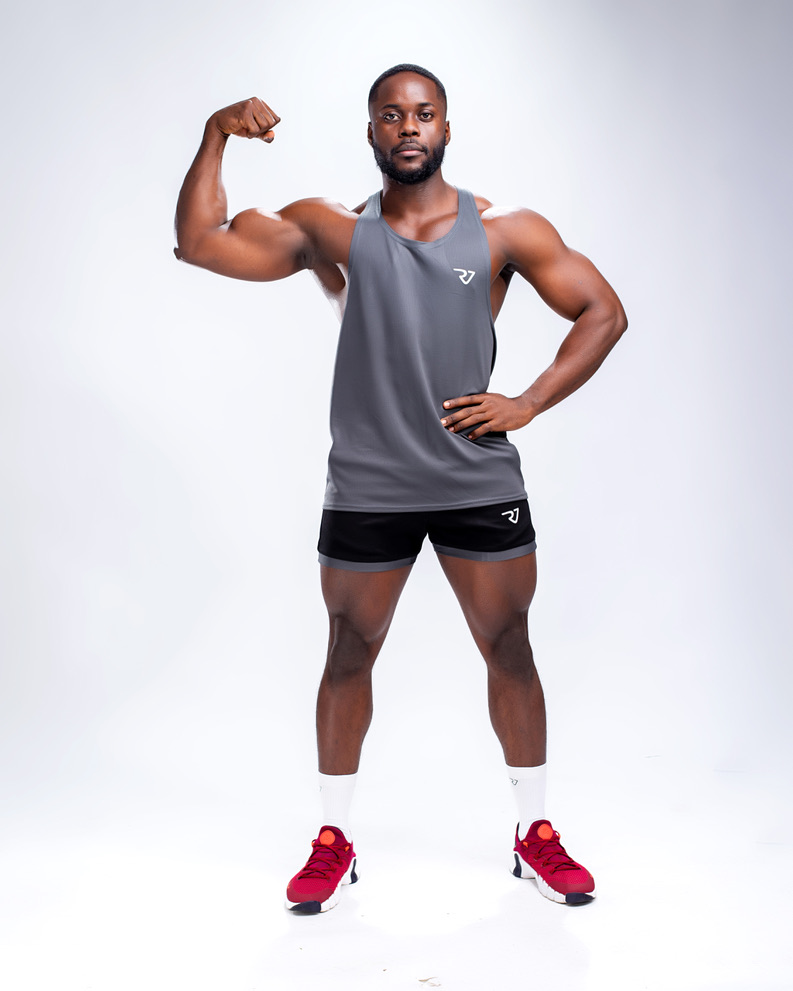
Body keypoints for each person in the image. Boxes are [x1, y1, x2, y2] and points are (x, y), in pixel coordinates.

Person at [174, 63, 627, 913]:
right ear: (373, 132)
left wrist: (526, 401)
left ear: (446, 130)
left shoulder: (504, 231)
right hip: (368, 484)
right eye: (391, 114)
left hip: (473, 476)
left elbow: (601, 309)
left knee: (509, 647)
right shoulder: (332, 231)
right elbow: (199, 244)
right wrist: (214, 132)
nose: (408, 126)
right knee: (348, 650)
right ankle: (334, 839)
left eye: (424, 114)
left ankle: (533, 834)